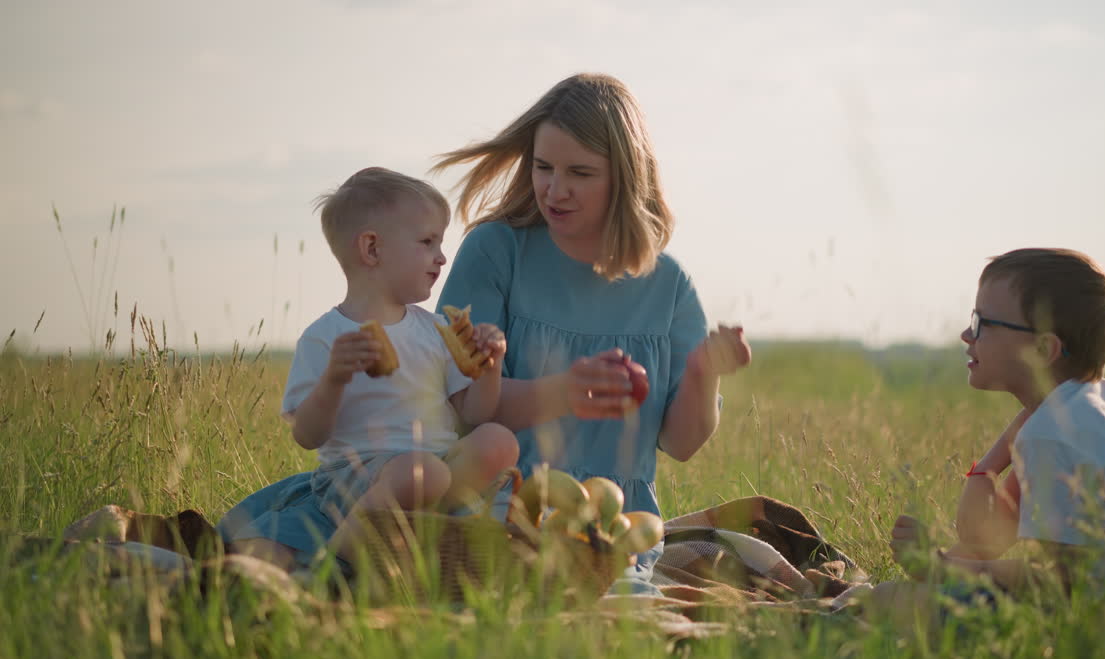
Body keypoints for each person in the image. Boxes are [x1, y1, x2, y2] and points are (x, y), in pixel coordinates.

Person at [431, 73, 753, 586]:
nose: (554, 190)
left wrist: (701, 374)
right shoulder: (495, 251)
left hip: (612, 537)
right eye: (542, 167)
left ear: (624, 177)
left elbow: (682, 441)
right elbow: (458, 400)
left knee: (617, 606)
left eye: (579, 173)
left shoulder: (668, 285)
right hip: (495, 513)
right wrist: (564, 393)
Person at [855, 248, 1105, 625]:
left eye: (982, 322)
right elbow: (988, 539)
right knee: (898, 598)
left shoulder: (1051, 437)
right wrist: (987, 467)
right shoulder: (1102, 404)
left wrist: (939, 568)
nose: (967, 334)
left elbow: (1060, 584)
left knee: (890, 603)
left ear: (1042, 349)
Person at [218, 167, 518, 568]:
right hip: (355, 479)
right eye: (427, 242)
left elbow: (475, 413)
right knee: (423, 473)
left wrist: (491, 367)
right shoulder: (327, 338)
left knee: (499, 441)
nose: (442, 257)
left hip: (436, 471)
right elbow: (307, 435)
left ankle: (428, 529)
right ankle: (337, 561)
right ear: (372, 249)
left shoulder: (435, 330)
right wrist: (334, 379)